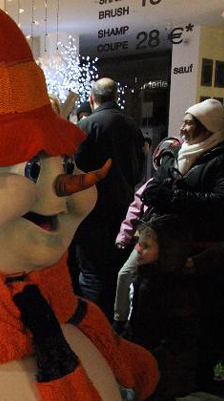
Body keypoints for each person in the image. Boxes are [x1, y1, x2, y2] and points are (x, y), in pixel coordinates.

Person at [141, 98, 224, 389]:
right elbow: (162, 185)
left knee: (205, 314)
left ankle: (199, 374)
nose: (183, 127)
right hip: (174, 243)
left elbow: (221, 201)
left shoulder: (222, 158)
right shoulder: (179, 153)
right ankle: (174, 369)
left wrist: (176, 198)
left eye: (190, 123)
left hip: (204, 248)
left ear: (208, 127)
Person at [121, 215, 198, 401]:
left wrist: (157, 356)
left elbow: (180, 332)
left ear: (167, 251)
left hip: (159, 361)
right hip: (148, 355)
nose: (138, 249)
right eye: (138, 243)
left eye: (146, 246)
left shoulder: (174, 288)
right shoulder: (146, 278)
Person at [73, 78, 144, 321]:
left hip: (92, 210)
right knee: (115, 268)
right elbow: (138, 168)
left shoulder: (86, 125)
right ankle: (114, 324)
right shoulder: (131, 125)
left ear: (92, 99)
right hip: (123, 209)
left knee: (92, 272)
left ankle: (94, 326)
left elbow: (76, 169)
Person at [112, 137, 181, 331]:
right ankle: (121, 321)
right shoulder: (154, 183)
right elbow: (135, 208)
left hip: (171, 241)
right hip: (150, 237)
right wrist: (124, 236)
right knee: (127, 275)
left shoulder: (182, 181)